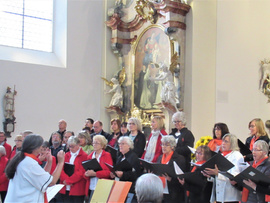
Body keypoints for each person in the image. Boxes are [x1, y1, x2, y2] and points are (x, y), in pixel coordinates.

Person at [5, 134, 65, 202]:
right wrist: (60, 163)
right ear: (36, 147)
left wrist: (49, 162)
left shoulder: (23, 159)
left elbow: (41, 178)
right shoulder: (29, 163)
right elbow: (51, 182)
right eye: (41, 146)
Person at [203, 133, 244, 203]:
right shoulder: (221, 155)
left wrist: (217, 174)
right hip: (219, 195)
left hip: (230, 196)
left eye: (226, 141)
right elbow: (217, 174)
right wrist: (210, 175)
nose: (223, 143)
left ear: (232, 143)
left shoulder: (237, 155)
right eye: (223, 141)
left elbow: (234, 175)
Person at [156, 135, 186, 203]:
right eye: (162, 144)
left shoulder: (179, 159)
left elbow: (181, 177)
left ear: (172, 146)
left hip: (173, 191)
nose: (163, 147)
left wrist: (170, 179)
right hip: (160, 190)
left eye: (166, 145)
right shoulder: (160, 157)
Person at [59, 136, 88, 203]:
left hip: (77, 188)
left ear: (78, 145)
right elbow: (60, 169)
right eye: (69, 146)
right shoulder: (66, 155)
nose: (71, 148)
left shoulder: (84, 156)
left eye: (73, 146)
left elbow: (81, 172)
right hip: (65, 186)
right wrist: (66, 180)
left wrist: (69, 181)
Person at [84, 135, 113, 201]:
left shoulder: (107, 155)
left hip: (102, 186)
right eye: (93, 143)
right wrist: (86, 174)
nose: (94, 145)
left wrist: (95, 174)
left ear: (102, 145)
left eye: (97, 143)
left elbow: (108, 172)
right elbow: (85, 173)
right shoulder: (90, 156)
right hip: (91, 186)